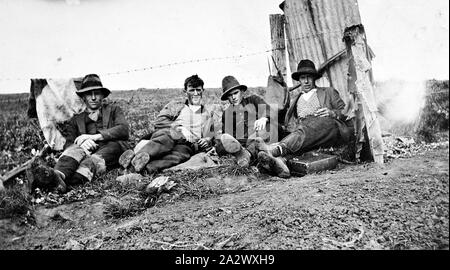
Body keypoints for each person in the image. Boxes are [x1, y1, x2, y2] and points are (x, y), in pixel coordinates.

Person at [28, 74, 130, 192]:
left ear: (102, 95)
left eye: (96, 93)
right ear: (83, 97)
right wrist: (81, 144)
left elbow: (123, 129)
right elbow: (68, 144)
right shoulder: (76, 119)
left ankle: (56, 182)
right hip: (85, 152)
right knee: (73, 149)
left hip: (111, 150)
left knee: (98, 156)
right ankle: (58, 175)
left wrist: (94, 137)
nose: (93, 98)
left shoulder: (113, 110)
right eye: (88, 94)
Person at [256, 59, 353, 178]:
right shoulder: (296, 99)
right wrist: (266, 118)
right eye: (303, 78)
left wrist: (332, 113)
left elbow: (346, 111)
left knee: (310, 127)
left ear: (314, 78)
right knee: (285, 129)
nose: (306, 81)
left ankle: (275, 150)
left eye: (309, 77)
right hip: (303, 132)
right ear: (299, 80)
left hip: (326, 127)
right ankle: (280, 163)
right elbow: (285, 117)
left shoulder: (328, 92)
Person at [119, 75, 215, 175]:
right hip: (168, 134)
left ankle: (142, 170)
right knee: (165, 138)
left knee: (179, 156)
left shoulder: (207, 114)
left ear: (203, 90)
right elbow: (160, 121)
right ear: (185, 91)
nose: (195, 93)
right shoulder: (176, 105)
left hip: (186, 144)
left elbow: (210, 135)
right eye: (192, 90)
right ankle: (134, 160)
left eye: (198, 90)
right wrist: (180, 128)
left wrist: (206, 140)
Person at [214, 76, 275, 168]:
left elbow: (268, 110)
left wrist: (264, 118)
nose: (233, 97)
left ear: (241, 92)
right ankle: (250, 156)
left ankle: (248, 156)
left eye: (236, 93)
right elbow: (229, 137)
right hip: (243, 144)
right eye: (230, 95)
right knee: (220, 145)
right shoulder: (227, 114)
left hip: (260, 137)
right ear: (227, 97)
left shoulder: (253, 100)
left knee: (267, 129)